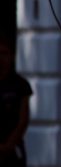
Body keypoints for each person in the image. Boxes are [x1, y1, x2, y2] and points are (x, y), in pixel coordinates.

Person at [0, 36, 32, 167]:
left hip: (13, 150)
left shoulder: (21, 85)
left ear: (12, 56)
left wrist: (8, 145)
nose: (1, 58)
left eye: (4, 53)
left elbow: (23, 120)